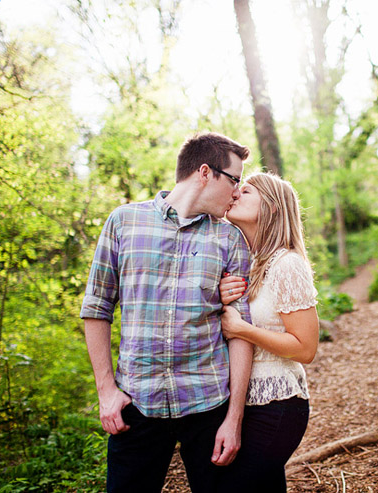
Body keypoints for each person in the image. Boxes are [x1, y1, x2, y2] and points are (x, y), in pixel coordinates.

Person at [80, 132, 255, 493]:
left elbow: (240, 331)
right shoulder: (123, 222)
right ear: (205, 173)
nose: (238, 192)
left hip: (209, 407)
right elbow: (97, 307)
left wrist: (234, 419)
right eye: (235, 180)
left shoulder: (229, 238)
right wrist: (106, 391)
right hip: (136, 406)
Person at [217, 172, 320, 492]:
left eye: (246, 191)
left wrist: (242, 329)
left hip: (277, 405)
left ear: (272, 208)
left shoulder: (287, 264)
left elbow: (305, 349)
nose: (235, 194)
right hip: (241, 402)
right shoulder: (244, 262)